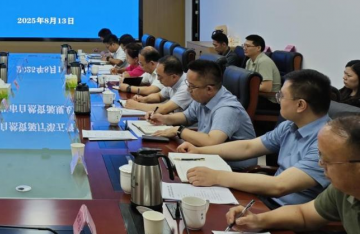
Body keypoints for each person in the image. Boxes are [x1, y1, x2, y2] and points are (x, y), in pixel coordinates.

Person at [177, 69, 331, 206]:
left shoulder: (326, 143)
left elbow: (280, 185)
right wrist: (199, 151)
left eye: (281, 96)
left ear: (300, 105)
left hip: (290, 214)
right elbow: (248, 147)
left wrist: (216, 176)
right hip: (267, 199)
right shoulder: (289, 126)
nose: (278, 99)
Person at [225, 115, 360, 233]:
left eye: (328, 160)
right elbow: (303, 214)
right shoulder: (340, 190)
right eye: (320, 156)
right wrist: (258, 220)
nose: (320, 164)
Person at [150, 59, 256, 169]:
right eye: (188, 84)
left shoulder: (227, 109)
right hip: (209, 157)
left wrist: (179, 130)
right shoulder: (204, 95)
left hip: (234, 168)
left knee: (163, 167)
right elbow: (186, 116)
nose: (188, 90)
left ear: (209, 89)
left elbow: (211, 141)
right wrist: (163, 118)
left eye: (192, 86)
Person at [125, 56, 192, 114]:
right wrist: (143, 99)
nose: (157, 78)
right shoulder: (171, 80)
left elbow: (164, 108)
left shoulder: (186, 87)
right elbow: (159, 96)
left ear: (174, 77)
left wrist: (136, 105)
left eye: (160, 76)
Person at [243, 34, 281, 100]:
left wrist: (245, 85)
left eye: (248, 46)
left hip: (269, 99)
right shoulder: (249, 61)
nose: (244, 48)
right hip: (256, 94)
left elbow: (266, 88)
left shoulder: (264, 61)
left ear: (258, 48)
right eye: (244, 45)